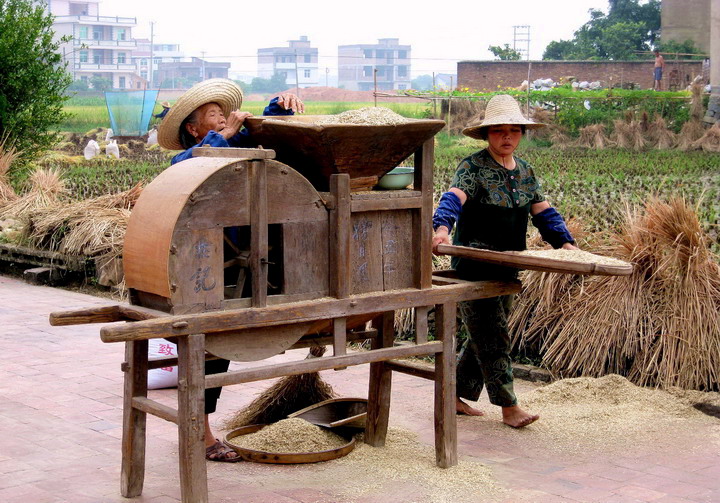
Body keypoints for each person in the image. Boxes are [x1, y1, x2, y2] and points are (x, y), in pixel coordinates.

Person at [156, 78, 304, 462]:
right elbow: (194, 163)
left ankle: (201, 433)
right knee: (207, 352)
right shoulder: (185, 160)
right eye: (211, 115)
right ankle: (202, 437)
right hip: (203, 266)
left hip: (244, 263)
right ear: (193, 128)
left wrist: (280, 104)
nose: (222, 118)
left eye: (224, 113)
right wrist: (227, 133)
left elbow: (265, 130)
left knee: (221, 347)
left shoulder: (233, 142)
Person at [431, 94, 577, 428]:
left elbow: (544, 213)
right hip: (475, 265)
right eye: (498, 131)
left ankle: (451, 395)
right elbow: (454, 198)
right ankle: (509, 407)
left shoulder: (526, 173)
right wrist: (441, 229)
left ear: (522, 134)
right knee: (494, 335)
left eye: (514, 130)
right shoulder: (472, 167)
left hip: (509, 265)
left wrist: (566, 244)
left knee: (485, 333)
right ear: (487, 135)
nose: (507, 137)